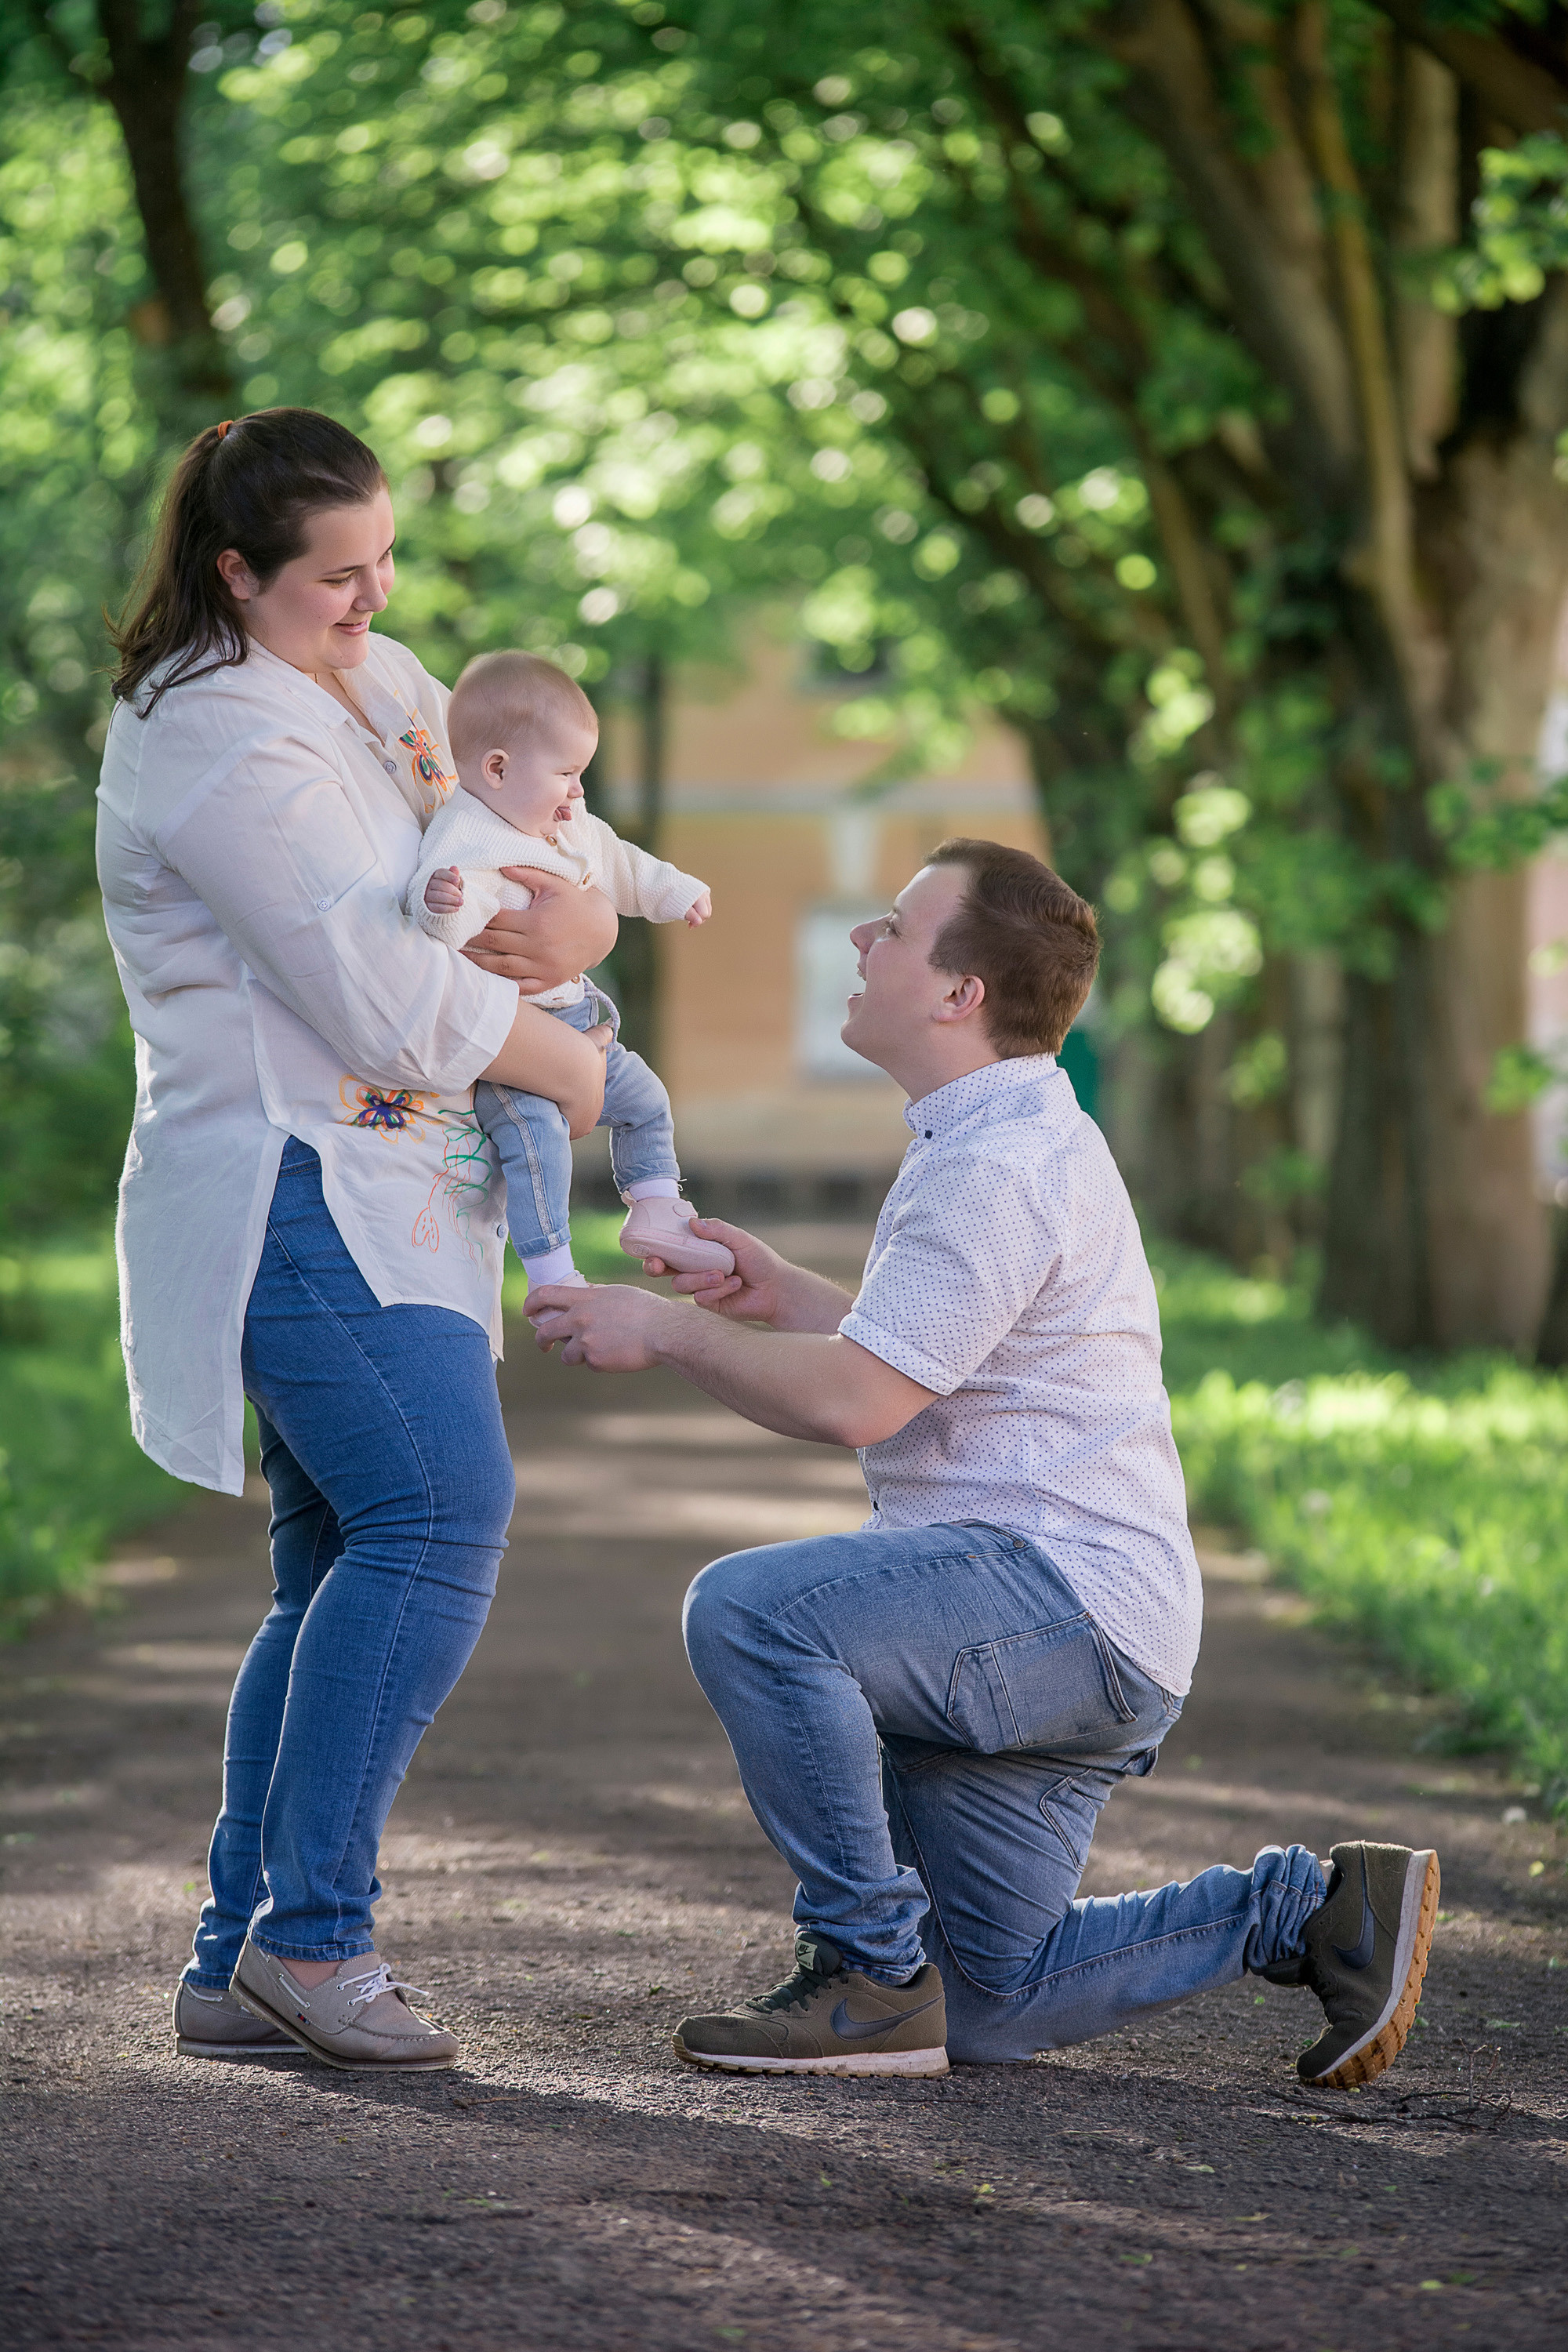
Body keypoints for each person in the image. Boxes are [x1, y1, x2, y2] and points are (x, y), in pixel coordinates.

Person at [528, 840, 1439, 2085]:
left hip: (1054, 1608)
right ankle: (1312, 1910)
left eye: (894, 929)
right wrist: (781, 1295)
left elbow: (862, 1403)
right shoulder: (995, 1136)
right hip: (1074, 1629)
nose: (860, 941)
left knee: (754, 1614)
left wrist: (675, 1332)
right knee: (993, 2005)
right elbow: (935, 1363)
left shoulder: (997, 1164)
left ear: (961, 995)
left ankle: (861, 1971)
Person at [98, 407, 614, 2073]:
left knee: (335, 1566)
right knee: (436, 1514)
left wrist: (590, 915)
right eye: (335, 574)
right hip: (290, 1185)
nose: (375, 598)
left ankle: (239, 1955)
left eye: (385, 559)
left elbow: (535, 837)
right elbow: (386, 999)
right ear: (235, 572)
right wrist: (579, 1064)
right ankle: (312, 1947)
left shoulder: (382, 685)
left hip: (402, 1190)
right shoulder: (209, 739)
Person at [407, 648, 735, 1290]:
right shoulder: (467, 837)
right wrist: (440, 905)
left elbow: (623, 864)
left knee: (645, 1099)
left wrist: (676, 892)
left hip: (580, 1016)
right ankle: (551, 1267)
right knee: (539, 1148)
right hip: (515, 1042)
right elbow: (450, 913)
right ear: (497, 770)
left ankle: (655, 1207)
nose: (579, 791)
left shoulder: (571, 825)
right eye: (567, 773)